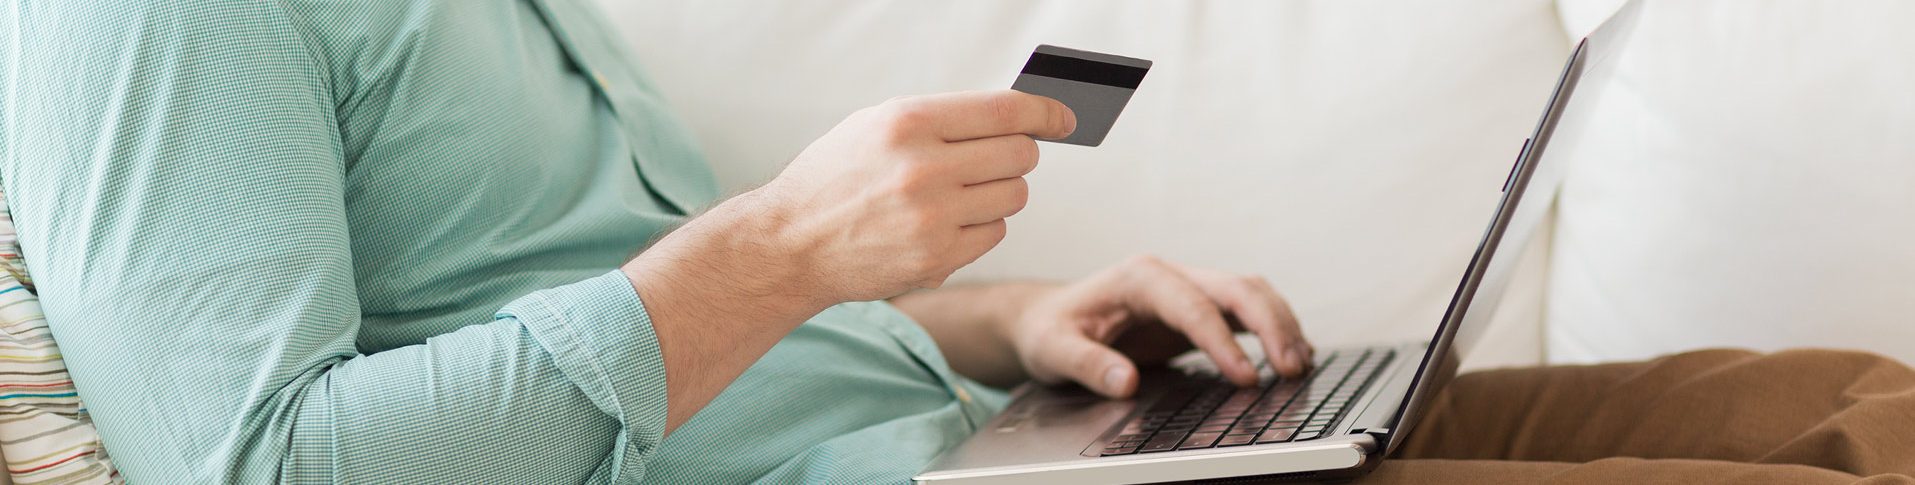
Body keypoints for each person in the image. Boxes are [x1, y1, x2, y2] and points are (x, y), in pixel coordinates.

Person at [3, 1, 1911, 484]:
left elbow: (596, 280)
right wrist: (775, 249)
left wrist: (1005, 318)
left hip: (976, 428)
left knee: (1860, 405)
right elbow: (249, 465)